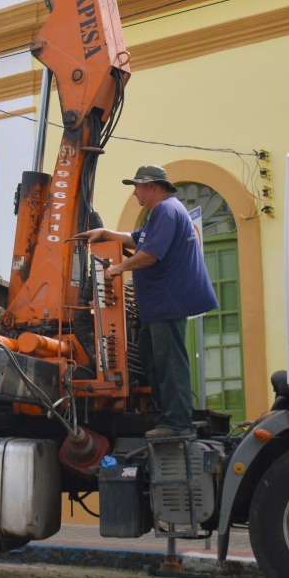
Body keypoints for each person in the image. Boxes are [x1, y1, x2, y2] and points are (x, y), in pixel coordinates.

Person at [79, 165, 218, 439]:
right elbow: (136, 238)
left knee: (169, 360)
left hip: (168, 301)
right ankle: (165, 412)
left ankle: (178, 422)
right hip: (159, 304)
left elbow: (150, 254)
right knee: (150, 354)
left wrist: (117, 269)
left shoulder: (166, 211)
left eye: (137, 187)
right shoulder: (164, 212)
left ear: (151, 186)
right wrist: (105, 233)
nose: (135, 193)